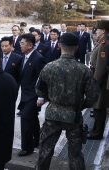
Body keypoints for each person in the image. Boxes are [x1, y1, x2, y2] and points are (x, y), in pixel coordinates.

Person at [35, 32, 100, 169]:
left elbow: (39, 90)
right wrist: (82, 105)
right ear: (76, 47)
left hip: (53, 113)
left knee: (45, 151)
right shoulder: (83, 70)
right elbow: (94, 95)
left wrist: (52, 99)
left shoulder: (49, 67)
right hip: (74, 115)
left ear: (59, 46)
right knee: (75, 154)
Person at [18, 33, 47, 157]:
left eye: (22, 43)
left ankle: (27, 147)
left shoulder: (38, 58)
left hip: (34, 96)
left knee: (25, 118)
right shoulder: (24, 57)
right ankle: (37, 141)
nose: (20, 45)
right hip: (26, 95)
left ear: (30, 45)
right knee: (33, 118)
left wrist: (41, 97)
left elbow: (42, 79)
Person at [88, 20, 109, 140]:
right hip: (99, 78)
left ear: (104, 31)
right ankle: (95, 130)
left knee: (99, 107)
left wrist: (95, 82)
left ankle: (97, 133)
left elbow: (101, 66)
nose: (96, 31)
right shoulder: (101, 42)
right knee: (97, 107)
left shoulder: (105, 44)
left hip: (101, 80)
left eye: (98, 29)